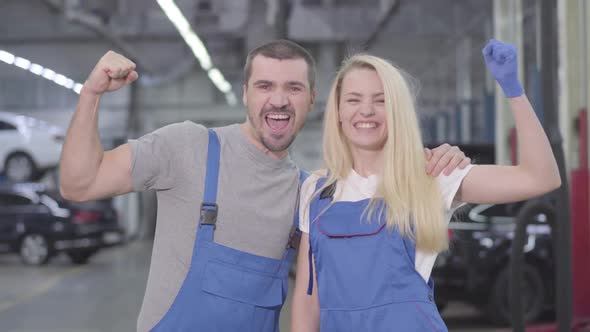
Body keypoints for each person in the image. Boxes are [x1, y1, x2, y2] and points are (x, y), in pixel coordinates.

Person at [59, 39, 471, 332]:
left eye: (292, 88)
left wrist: (434, 162)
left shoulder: (311, 195)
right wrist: (91, 93)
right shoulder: (187, 146)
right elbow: (80, 184)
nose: (278, 100)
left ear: (311, 100)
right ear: (245, 94)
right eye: (264, 86)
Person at [290, 38, 561, 332]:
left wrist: (513, 91)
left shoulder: (430, 174)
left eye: (381, 100)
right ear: (338, 113)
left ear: (397, 112)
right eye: (354, 100)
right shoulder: (317, 189)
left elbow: (540, 177)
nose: (366, 110)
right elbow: (308, 301)